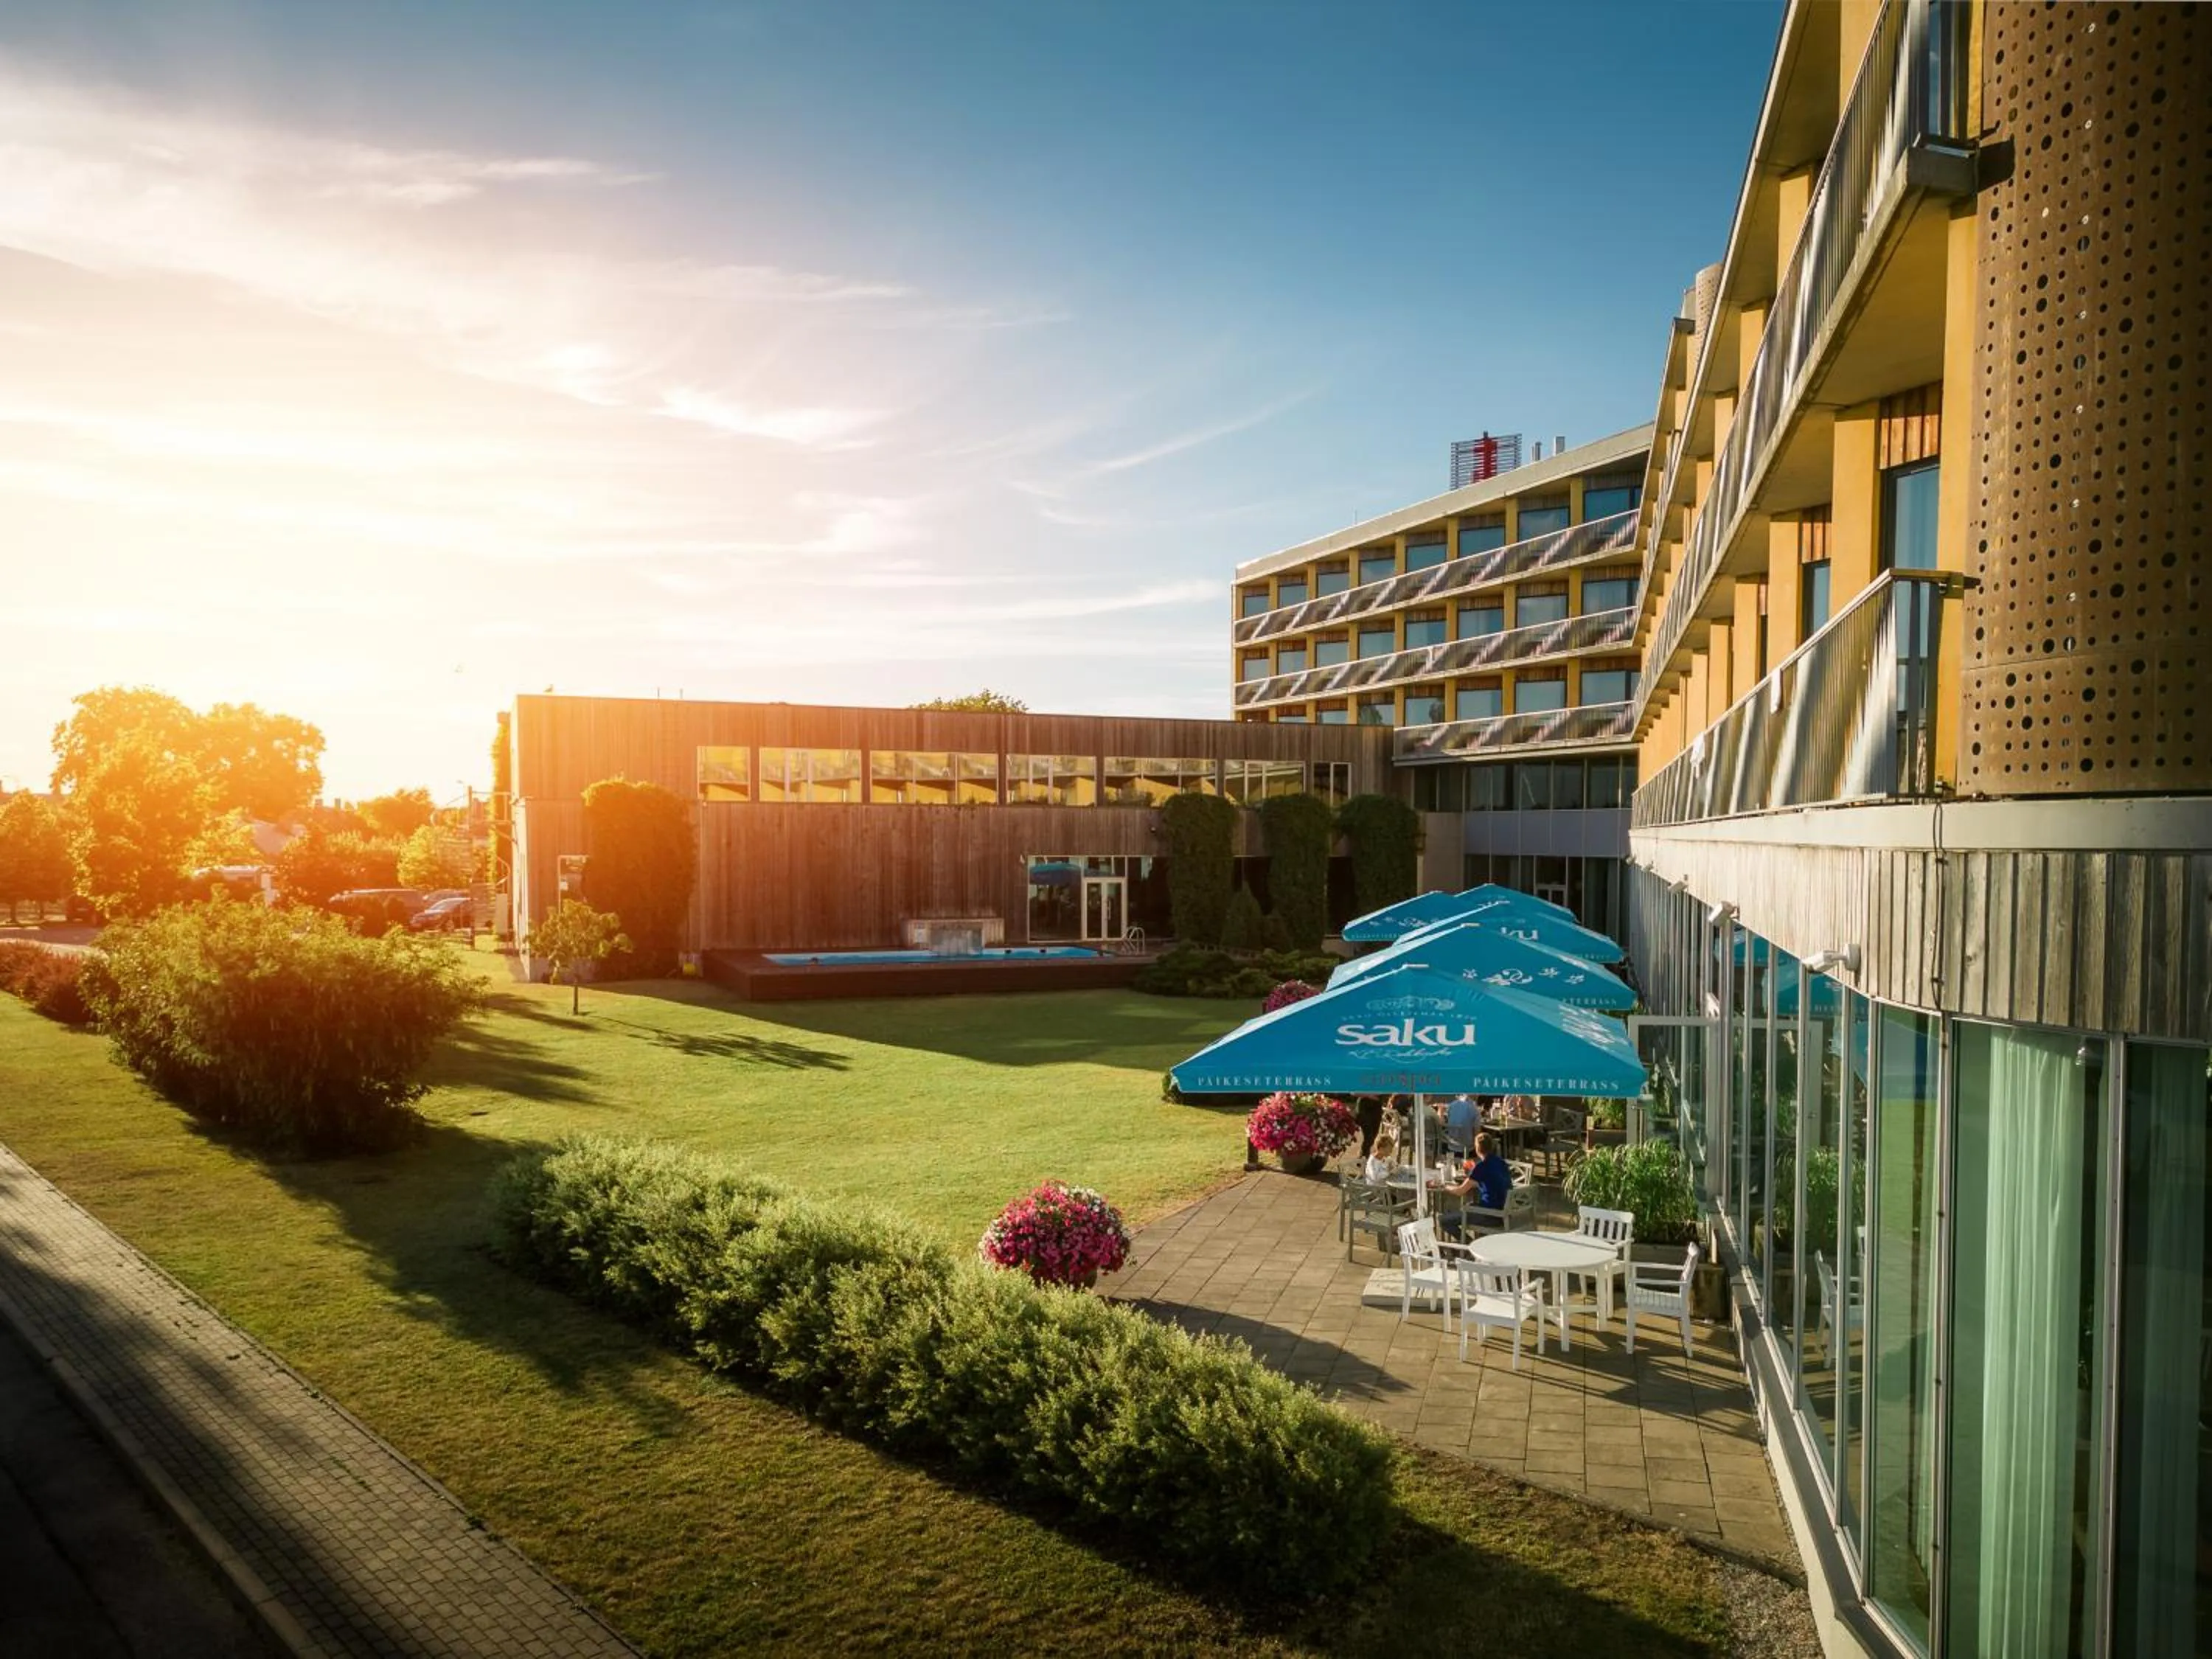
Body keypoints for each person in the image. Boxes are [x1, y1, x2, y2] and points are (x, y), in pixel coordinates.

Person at [1440, 1133, 1515, 1240]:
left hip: (1490, 1215)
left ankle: (1468, 1245)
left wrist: (1444, 1186)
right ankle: (1478, 1244)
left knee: (1444, 1220)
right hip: (1506, 1212)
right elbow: (1493, 1182)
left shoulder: (1481, 1167)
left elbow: (1459, 1192)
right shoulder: (1501, 1162)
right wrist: (1477, 1183)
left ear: (1477, 1149)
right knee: (1470, 1206)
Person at [1444, 1093, 1479, 1160]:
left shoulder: (1451, 1106)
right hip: (1467, 1148)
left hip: (1451, 1145)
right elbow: (1477, 1132)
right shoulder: (1474, 1108)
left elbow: (1449, 1122)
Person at [1354, 1093, 1385, 1158]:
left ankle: (1363, 1156)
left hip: (1377, 1108)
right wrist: (1369, 1095)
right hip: (1364, 1108)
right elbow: (1353, 1092)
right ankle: (1363, 1157)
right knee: (1369, 1136)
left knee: (1373, 1137)